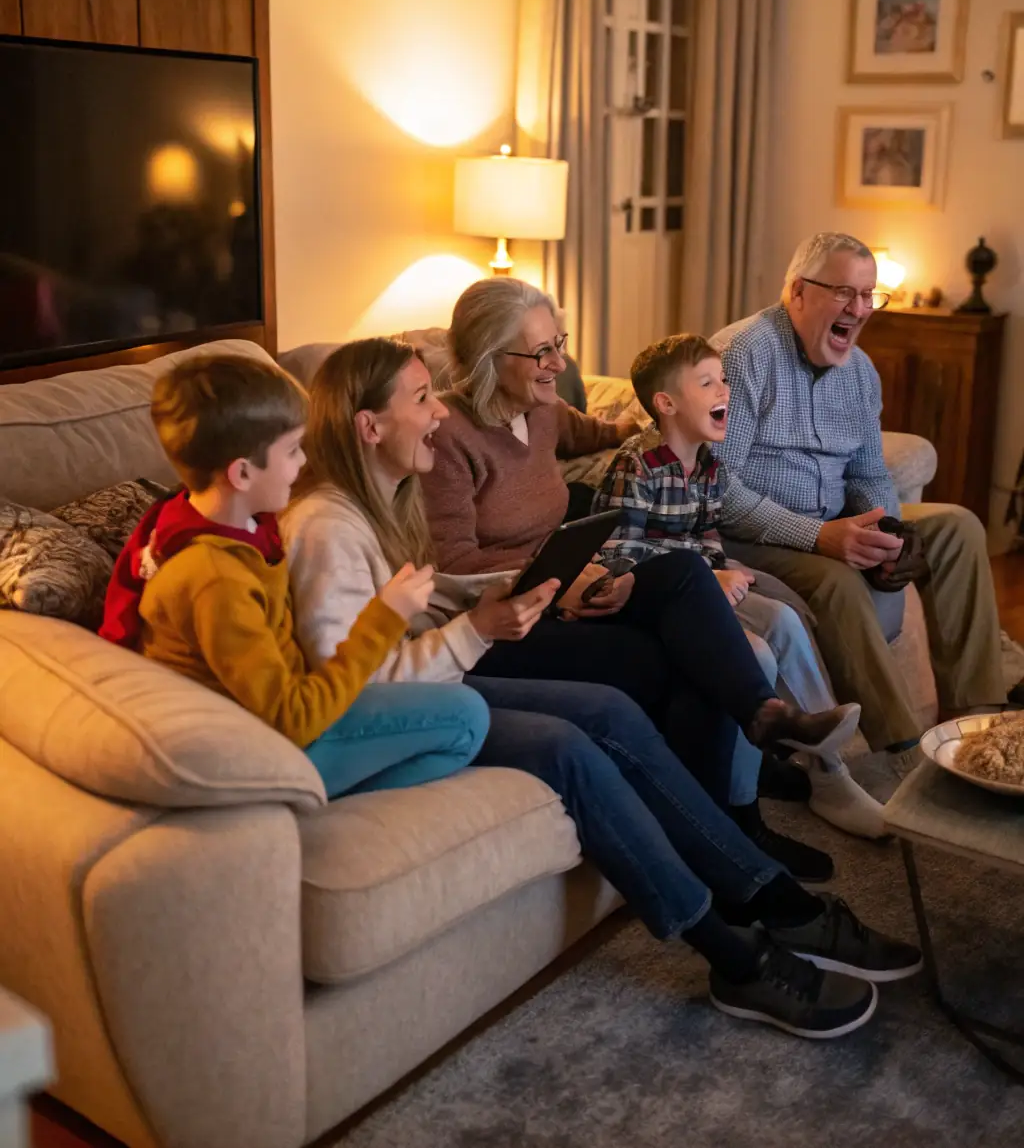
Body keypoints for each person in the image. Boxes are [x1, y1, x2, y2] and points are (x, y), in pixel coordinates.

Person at [282, 336, 922, 1039]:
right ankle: (744, 940)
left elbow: (423, 596)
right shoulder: (325, 529)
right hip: (432, 694)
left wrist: (517, 587)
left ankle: (759, 746)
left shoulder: (385, 498)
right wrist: (480, 627)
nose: (438, 413)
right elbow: (355, 682)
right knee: (597, 719)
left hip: (460, 650)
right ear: (369, 425)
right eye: (421, 399)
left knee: (676, 607)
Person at [419, 277, 854, 883]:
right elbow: (455, 562)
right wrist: (553, 585)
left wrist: (644, 430)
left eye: (558, 343)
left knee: (680, 569)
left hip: (572, 582)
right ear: (493, 359)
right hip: (506, 618)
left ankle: (764, 718)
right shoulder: (447, 438)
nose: (560, 363)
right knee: (684, 659)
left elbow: (591, 431)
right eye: (542, 352)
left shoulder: (540, 410)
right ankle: (733, 831)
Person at [99, 353, 490, 798]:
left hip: (284, 719)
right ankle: (303, 799)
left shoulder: (248, 530)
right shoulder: (214, 577)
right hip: (255, 751)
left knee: (463, 713)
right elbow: (292, 718)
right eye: (292, 451)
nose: (305, 463)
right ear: (242, 473)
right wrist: (385, 617)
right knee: (465, 716)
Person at [711, 231, 1012, 770]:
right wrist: (820, 537)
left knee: (958, 525)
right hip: (752, 531)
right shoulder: (742, 355)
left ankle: (978, 725)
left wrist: (888, 529)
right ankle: (903, 754)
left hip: (832, 519)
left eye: (870, 295)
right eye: (846, 293)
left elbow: (870, 470)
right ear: (798, 292)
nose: (861, 309)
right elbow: (718, 487)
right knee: (836, 579)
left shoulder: (861, 372)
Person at [593, 332, 886, 840]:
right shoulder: (635, 464)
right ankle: (776, 795)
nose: (724, 391)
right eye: (707, 383)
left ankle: (828, 765)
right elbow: (617, 554)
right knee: (758, 651)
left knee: (786, 620)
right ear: (666, 403)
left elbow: (706, 532)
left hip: (700, 588)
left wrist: (719, 569)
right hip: (644, 599)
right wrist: (708, 572)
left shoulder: (709, 464)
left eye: (723, 380)